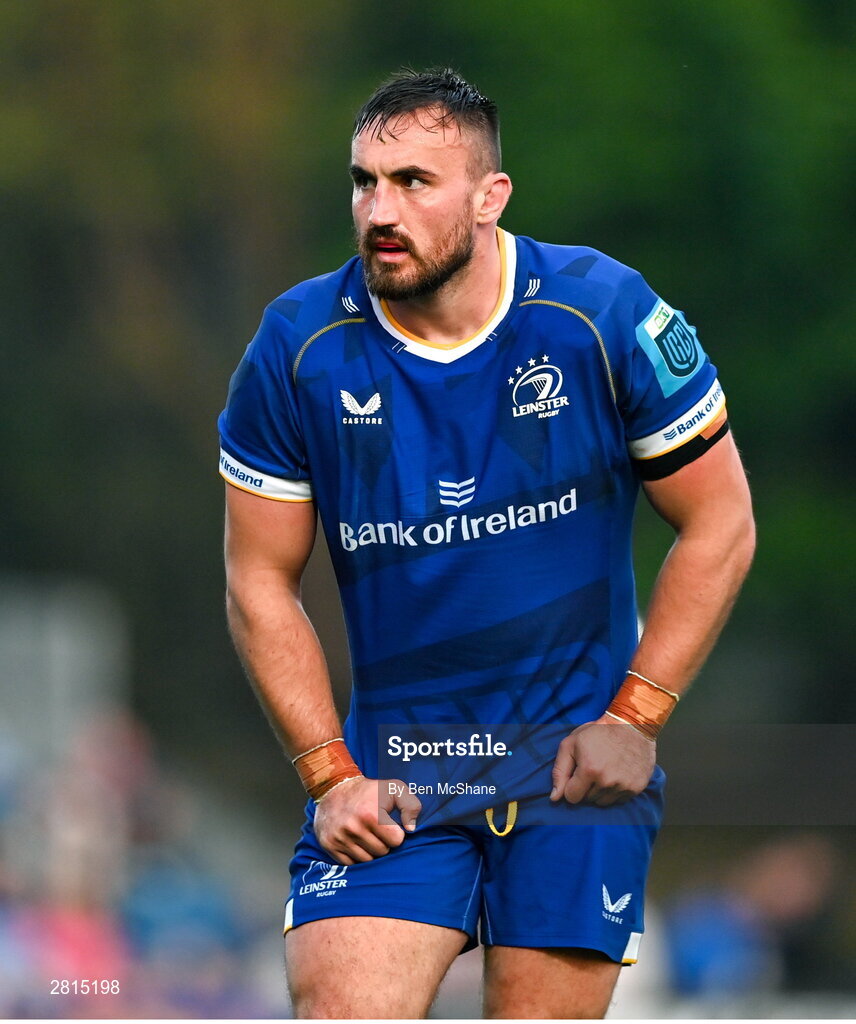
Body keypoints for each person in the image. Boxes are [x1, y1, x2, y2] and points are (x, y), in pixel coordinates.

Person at [218, 68, 755, 1019]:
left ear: (489, 196)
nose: (380, 210)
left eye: (415, 182)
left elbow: (721, 524)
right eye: (363, 181)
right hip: (391, 787)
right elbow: (258, 580)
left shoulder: (602, 311)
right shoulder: (298, 345)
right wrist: (327, 773)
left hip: (570, 780)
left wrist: (636, 719)